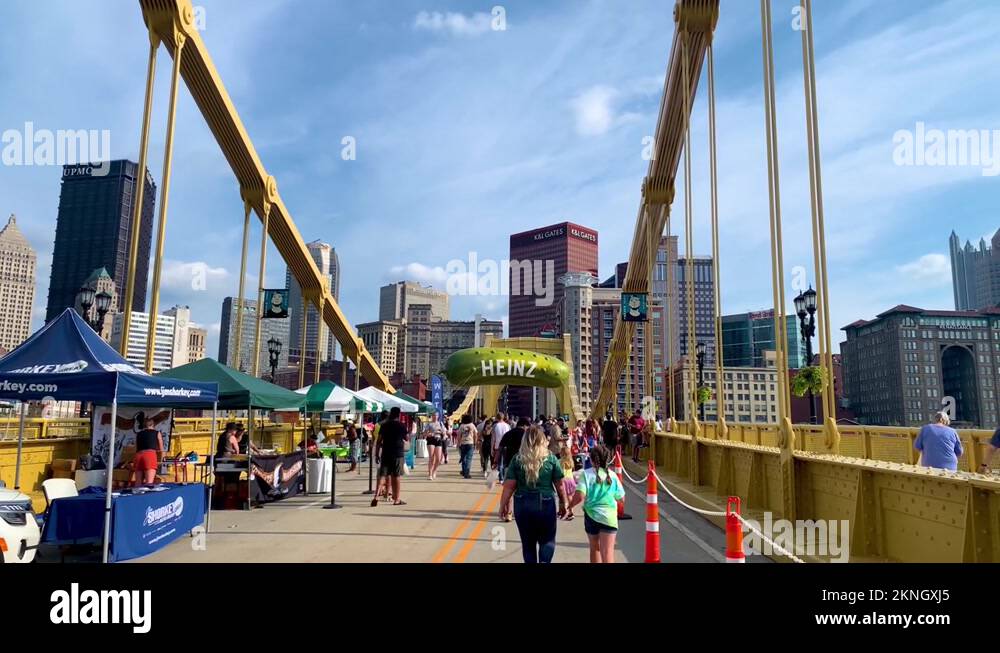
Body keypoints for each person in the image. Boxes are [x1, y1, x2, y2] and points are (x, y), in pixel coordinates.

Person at [498, 426, 568, 563]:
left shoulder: (517, 459)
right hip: (546, 502)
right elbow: (560, 485)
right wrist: (563, 503)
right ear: (543, 440)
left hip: (522, 504)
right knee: (547, 540)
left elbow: (509, 487)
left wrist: (502, 507)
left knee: (528, 544)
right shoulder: (551, 459)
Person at [567, 445, 625, 563]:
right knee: (608, 552)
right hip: (609, 517)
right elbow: (622, 498)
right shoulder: (612, 476)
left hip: (591, 515)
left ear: (592, 459)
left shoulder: (586, 474)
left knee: (595, 549)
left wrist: (570, 505)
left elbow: (580, 495)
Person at [372, 407, 409, 506]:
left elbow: (379, 441)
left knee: (383, 475)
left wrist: (376, 454)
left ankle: (376, 496)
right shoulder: (401, 425)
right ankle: (397, 499)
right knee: (396, 476)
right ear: (399, 415)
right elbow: (406, 439)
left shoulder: (384, 426)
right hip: (397, 453)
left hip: (385, 453)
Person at [134, 418, 164, 485]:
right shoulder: (157, 433)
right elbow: (161, 449)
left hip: (139, 455)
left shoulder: (138, 434)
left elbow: (135, 448)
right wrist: (162, 461)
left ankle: (137, 494)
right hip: (149, 455)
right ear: (153, 425)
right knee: (149, 482)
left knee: (138, 482)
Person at [423, 413, 447, 480]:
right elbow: (424, 433)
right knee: (431, 457)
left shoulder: (440, 423)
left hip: (438, 440)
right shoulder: (429, 424)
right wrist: (428, 434)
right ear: (432, 416)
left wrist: (444, 435)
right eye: (434, 415)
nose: (435, 417)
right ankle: (430, 474)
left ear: (438, 416)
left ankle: (434, 471)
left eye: (436, 415)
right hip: (431, 440)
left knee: (438, 458)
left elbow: (444, 432)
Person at [457, 414, 478, 479]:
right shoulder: (472, 425)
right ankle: (467, 473)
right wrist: (475, 442)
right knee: (469, 459)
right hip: (470, 443)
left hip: (463, 443)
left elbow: (459, 435)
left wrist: (458, 443)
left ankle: (464, 471)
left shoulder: (461, 426)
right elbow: (475, 434)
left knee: (463, 458)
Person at [491, 413, 511, 479]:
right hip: (507, 446)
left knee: (499, 462)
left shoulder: (495, 425)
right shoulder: (508, 426)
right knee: (506, 462)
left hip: (498, 446)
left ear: (496, 418)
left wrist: (492, 448)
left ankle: (501, 478)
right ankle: (505, 477)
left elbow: (493, 438)